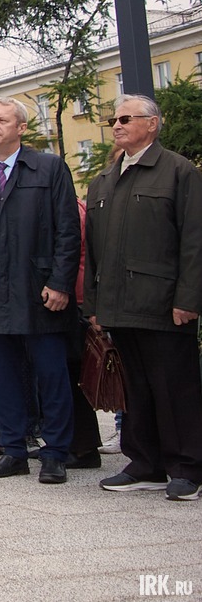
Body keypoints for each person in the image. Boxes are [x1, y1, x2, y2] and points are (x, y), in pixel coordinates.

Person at [0, 97, 81, 485]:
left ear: (21, 127)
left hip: (40, 292)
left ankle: (56, 453)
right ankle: (13, 450)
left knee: (51, 375)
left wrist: (60, 283)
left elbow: (67, 232)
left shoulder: (48, 168)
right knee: (4, 377)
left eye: (1, 120)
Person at [84, 94, 202, 501]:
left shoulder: (178, 172)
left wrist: (188, 298)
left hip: (164, 303)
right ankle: (145, 463)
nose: (116, 125)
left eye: (125, 118)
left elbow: (194, 241)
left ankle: (186, 467)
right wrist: (95, 306)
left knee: (175, 387)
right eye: (113, 119)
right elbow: (94, 248)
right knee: (135, 388)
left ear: (152, 124)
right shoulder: (105, 180)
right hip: (119, 306)